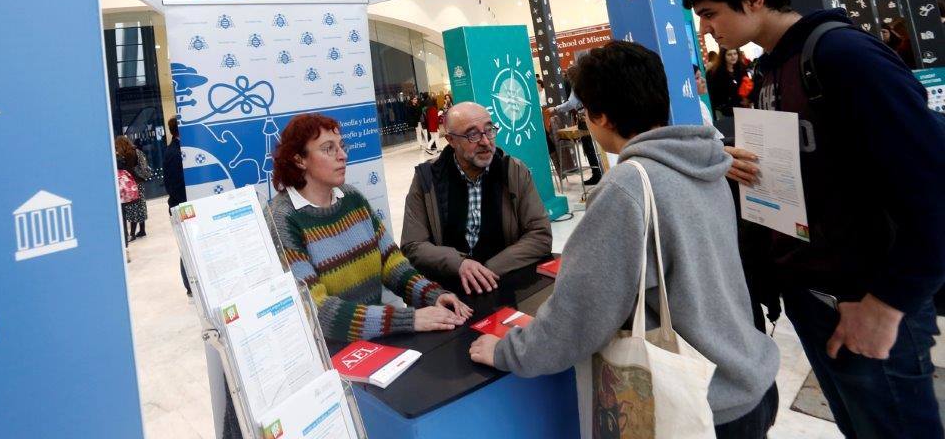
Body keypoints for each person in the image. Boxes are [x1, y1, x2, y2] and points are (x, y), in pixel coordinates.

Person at [682, 0, 945, 438]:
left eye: (710, 14)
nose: (706, 31)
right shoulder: (770, 71)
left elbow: (933, 186)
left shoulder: (845, 56)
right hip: (813, 295)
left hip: (865, 298)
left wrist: (887, 304)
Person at [469, 42, 780, 436]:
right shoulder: (706, 162)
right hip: (749, 379)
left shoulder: (629, 187)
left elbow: (577, 316)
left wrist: (507, 350)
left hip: (699, 405)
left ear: (600, 116)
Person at [266, 112, 471, 342]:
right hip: (333, 353)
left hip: (377, 339)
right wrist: (408, 319)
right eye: (328, 149)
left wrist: (430, 295)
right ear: (299, 159)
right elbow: (316, 310)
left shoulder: (352, 198)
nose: (342, 155)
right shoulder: (283, 218)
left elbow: (390, 262)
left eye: (341, 146)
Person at [401, 102, 553, 294]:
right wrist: (460, 264)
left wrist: (487, 269)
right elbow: (413, 244)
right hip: (448, 289)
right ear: (451, 140)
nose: (485, 141)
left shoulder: (513, 172)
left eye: (489, 130)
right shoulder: (428, 178)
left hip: (503, 281)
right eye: (472, 134)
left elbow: (540, 234)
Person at [552, 65, 602, 185]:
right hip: (591, 115)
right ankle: (598, 172)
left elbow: (571, 104)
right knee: (591, 147)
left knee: (588, 147)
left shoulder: (577, 86)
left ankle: (596, 174)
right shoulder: (587, 84)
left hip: (583, 118)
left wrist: (556, 108)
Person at [163, 116, 191, 295]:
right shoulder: (174, 153)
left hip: (184, 205)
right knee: (187, 247)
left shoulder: (180, 150)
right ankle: (189, 285)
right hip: (180, 206)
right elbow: (174, 186)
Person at [115, 136, 148, 242]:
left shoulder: (129, 154)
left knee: (134, 208)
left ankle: (132, 234)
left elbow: (128, 170)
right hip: (139, 181)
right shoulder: (135, 150)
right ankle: (142, 230)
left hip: (133, 183)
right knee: (140, 206)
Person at [707, 47, 746, 118]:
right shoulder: (715, 73)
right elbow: (713, 94)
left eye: (735, 53)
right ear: (723, 56)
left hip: (741, 109)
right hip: (724, 111)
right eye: (729, 54)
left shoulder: (742, 69)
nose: (733, 56)